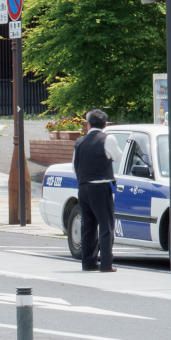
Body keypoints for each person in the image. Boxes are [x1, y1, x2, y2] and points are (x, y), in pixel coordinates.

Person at [72, 109, 123, 273]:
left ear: (88, 124)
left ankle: (88, 263)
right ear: (105, 124)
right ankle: (106, 264)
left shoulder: (79, 141)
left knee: (88, 226)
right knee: (105, 225)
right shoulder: (108, 138)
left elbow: (75, 165)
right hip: (100, 187)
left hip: (83, 187)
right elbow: (117, 157)